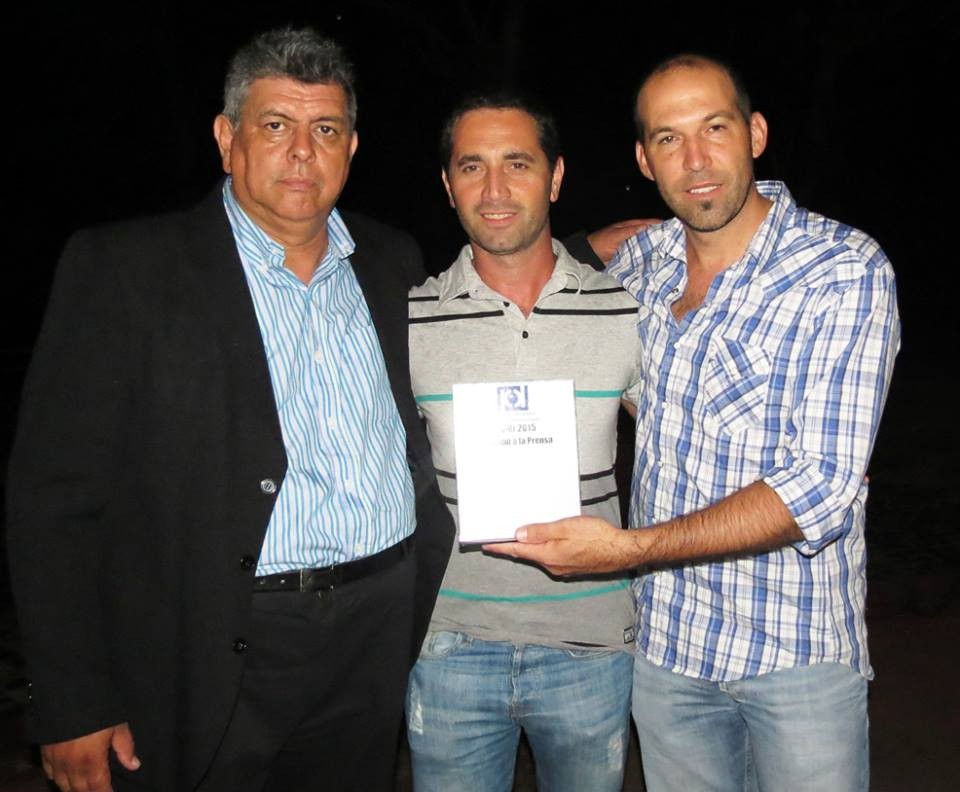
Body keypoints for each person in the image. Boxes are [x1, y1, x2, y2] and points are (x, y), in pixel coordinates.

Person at [6, 27, 453, 792]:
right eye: (276, 125)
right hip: (213, 638)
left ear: (352, 147)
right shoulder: (127, 270)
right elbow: (54, 500)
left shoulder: (392, 261)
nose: (302, 151)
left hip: (376, 632)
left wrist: (582, 247)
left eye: (326, 129)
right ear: (227, 138)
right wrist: (72, 699)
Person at [490, 55, 900, 792]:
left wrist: (625, 550)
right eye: (669, 139)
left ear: (756, 133)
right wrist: (585, 244)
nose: (697, 159)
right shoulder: (642, 266)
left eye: (715, 128)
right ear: (644, 160)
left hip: (794, 653)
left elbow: (819, 488)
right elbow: (543, 292)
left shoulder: (842, 268)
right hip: (668, 654)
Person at [406, 96, 643, 791]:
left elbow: (693, 431)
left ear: (555, 177)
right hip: (448, 645)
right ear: (448, 185)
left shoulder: (625, 310)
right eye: (471, 167)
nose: (495, 189)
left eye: (517, 164)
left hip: (592, 646)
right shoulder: (411, 318)